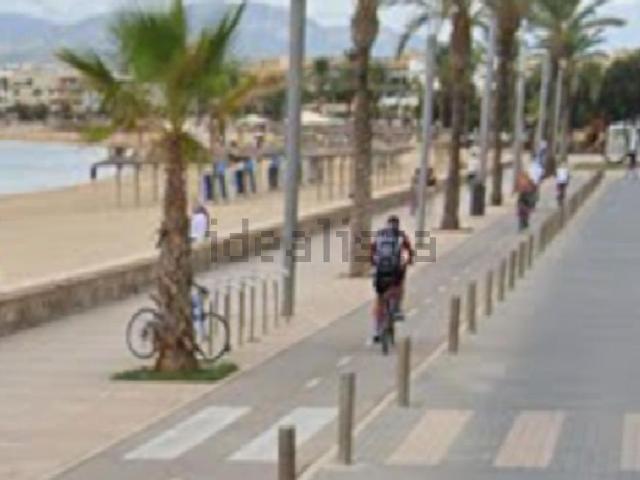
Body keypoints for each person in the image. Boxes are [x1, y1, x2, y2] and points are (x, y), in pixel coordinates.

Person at [370, 215, 414, 343]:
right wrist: (408, 261)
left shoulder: (379, 235)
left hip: (380, 271)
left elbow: (371, 251)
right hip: (395, 271)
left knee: (379, 298)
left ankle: (376, 330)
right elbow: (409, 252)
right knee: (399, 286)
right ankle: (396, 309)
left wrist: (374, 263)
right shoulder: (401, 236)